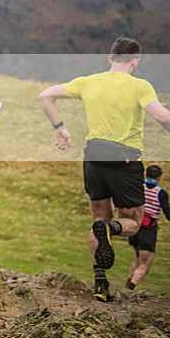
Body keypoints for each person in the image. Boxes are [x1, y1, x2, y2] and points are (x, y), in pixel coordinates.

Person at [38, 37, 170, 302]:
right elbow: (163, 117)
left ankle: (100, 284)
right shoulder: (140, 86)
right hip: (125, 161)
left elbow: (46, 96)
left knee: (99, 218)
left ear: (110, 58)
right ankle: (112, 230)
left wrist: (60, 129)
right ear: (136, 61)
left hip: (93, 157)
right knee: (132, 222)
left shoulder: (88, 81)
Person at [126, 165, 170, 289]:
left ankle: (127, 284)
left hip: (134, 227)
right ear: (160, 177)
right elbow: (167, 212)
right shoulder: (161, 193)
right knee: (145, 264)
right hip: (147, 230)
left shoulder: (138, 188)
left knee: (138, 258)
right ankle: (129, 288)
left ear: (145, 174)